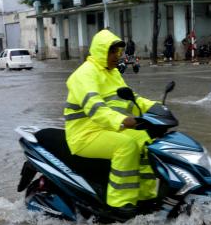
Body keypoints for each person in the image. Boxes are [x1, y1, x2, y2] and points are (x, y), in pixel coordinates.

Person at [63, 29, 159, 209]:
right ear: (100, 51)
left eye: (118, 52)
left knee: (147, 141)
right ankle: (120, 204)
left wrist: (155, 107)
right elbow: (95, 108)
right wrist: (122, 121)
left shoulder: (112, 73)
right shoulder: (84, 74)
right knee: (127, 146)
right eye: (111, 51)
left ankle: (146, 197)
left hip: (107, 129)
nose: (116, 56)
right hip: (85, 135)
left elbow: (132, 100)